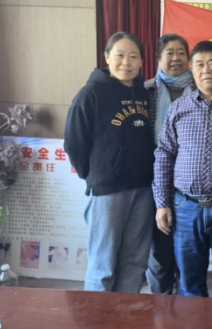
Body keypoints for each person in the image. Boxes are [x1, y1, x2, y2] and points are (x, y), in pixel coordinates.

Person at [152, 41, 212, 298]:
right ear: (191, 69)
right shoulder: (179, 108)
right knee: (189, 285)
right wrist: (162, 203)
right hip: (185, 207)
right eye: (199, 64)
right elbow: (164, 155)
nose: (206, 70)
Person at [64, 31, 154, 292]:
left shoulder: (144, 93)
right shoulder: (90, 94)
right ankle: (97, 314)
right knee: (103, 265)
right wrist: (96, 175)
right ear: (106, 57)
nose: (126, 62)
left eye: (133, 56)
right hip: (107, 190)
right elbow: (74, 143)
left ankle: (124, 313)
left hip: (143, 188)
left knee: (135, 263)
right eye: (120, 55)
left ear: (141, 61)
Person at [144, 33, 194, 295]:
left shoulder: (202, 88)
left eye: (181, 53)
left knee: (187, 251)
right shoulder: (145, 90)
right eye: (169, 53)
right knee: (160, 249)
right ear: (158, 59)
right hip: (153, 180)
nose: (175, 58)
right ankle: (161, 303)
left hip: (191, 183)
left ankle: (186, 306)